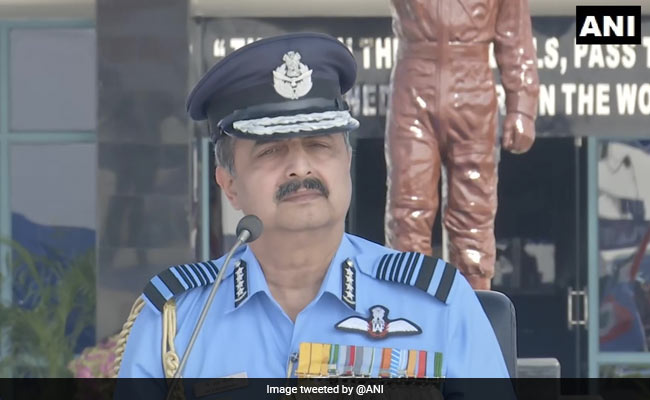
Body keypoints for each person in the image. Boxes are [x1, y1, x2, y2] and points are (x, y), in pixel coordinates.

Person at [115, 32, 509, 379]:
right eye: (271, 151)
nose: (300, 167)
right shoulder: (176, 323)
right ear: (229, 184)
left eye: (319, 145)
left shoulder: (437, 306)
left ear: (347, 161)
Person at [384, 0, 540, 290]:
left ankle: (473, 306)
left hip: (473, 90)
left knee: (473, 215)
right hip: (415, 87)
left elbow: (515, 37)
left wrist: (522, 107)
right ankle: (407, 306)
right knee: (408, 211)